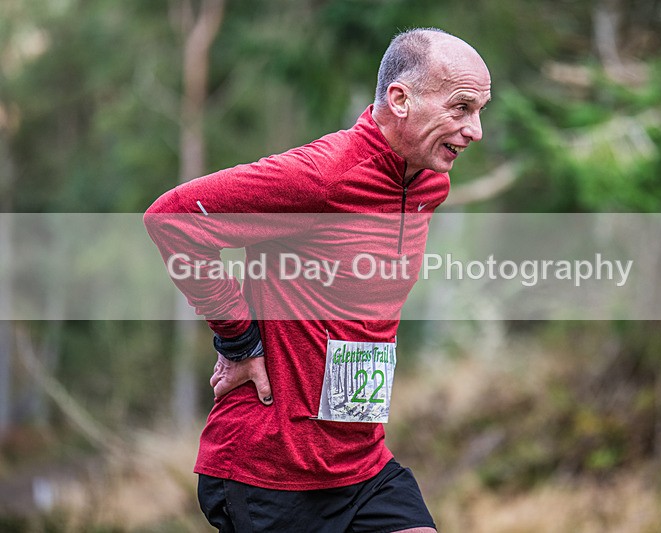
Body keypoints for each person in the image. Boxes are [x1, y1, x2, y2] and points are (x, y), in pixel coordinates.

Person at [144, 27, 491, 532]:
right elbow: (171, 217)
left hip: (360, 465)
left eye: (481, 110)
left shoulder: (428, 183)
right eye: (461, 108)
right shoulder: (324, 176)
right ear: (400, 99)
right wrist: (238, 338)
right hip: (270, 470)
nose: (475, 129)